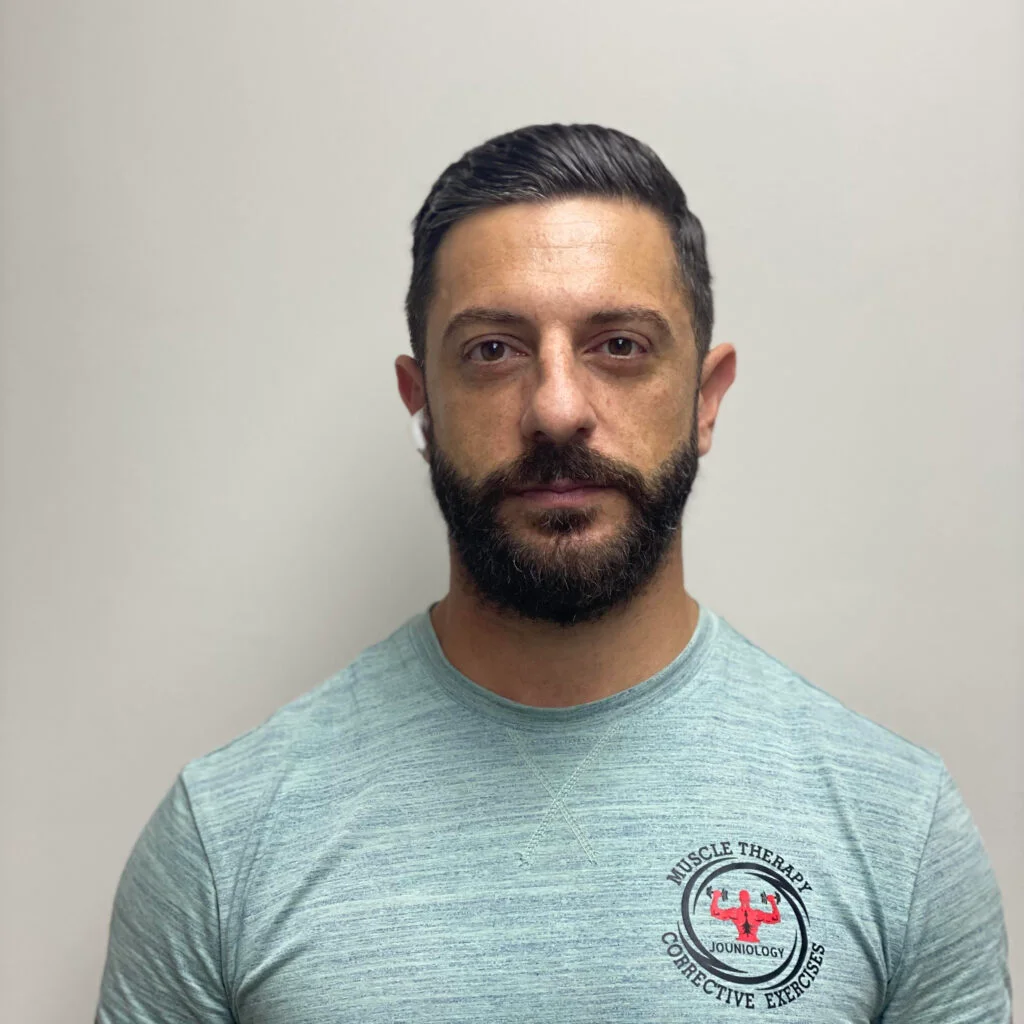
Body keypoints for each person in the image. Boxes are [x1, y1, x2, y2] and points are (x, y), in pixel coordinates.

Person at [95, 123, 1012, 1022]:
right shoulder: (224, 839)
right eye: (493, 350)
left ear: (705, 398)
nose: (557, 408)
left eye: (620, 345)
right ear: (423, 406)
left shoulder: (896, 825)